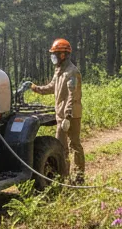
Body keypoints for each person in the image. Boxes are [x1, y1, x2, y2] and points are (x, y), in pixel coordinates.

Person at [30, 38, 84, 181]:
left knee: (74, 145)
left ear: (63, 55)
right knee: (60, 146)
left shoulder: (72, 72)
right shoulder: (59, 71)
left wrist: (68, 115)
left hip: (71, 115)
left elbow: (72, 95)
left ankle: (79, 177)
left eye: (55, 54)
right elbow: (51, 87)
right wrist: (36, 88)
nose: (53, 57)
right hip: (61, 115)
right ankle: (64, 176)